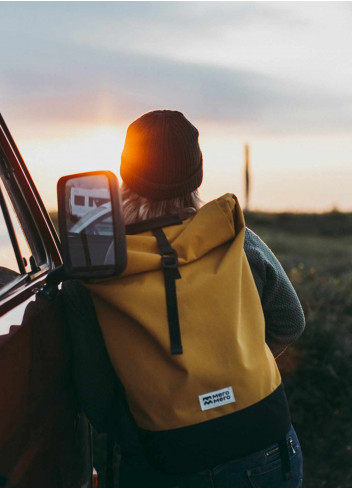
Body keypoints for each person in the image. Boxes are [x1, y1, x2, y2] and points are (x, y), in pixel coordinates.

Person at [63, 110, 305, 488]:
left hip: (163, 460)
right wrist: (233, 371)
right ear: (197, 175)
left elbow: (96, 395)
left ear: (126, 175)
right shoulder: (232, 235)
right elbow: (291, 320)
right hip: (264, 445)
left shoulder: (97, 271)